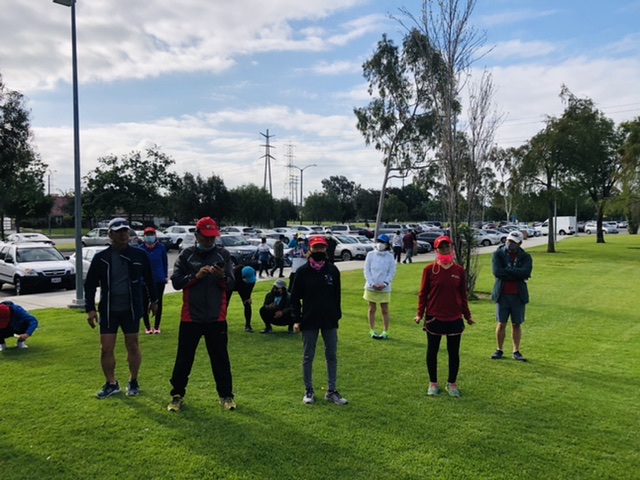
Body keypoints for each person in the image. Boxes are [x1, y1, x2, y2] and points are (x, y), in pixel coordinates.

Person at [167, 216, 237, 413]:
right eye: (205, 236)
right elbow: (176, 282)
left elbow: (231, 284)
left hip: (217, 318)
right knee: (184, 359)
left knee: (220, 359)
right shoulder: (186, 255)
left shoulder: (223, 254)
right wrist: (195, 276)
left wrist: (221, 277)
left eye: (212, 237)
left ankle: (226, 395)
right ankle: (177, 395)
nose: (208, 240)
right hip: (190, 317)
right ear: (196, 235)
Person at [85, 217, 158, 399]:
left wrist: (154, 300)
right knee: (106, 347)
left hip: (131, 308)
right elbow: (90, 284)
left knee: (132, 345)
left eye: (126, 231)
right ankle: (111, 383)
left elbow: (150, 280)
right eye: (119, 232)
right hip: (109, 309)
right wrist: (90, 309)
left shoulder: (139, 255)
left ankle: (133, 380)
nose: (123, 235)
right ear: (110, 235)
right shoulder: (101, 258)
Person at [414, 236, 475, 398]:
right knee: (432, 350)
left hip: (454, 318)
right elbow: (423, 294)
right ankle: (433, 382)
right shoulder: (430, 270)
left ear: (451, 248)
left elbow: (462, 295)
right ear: (436, 250)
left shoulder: (459, 271)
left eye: (447, 246)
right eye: (441, 247)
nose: (445, 249)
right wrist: (420, 314)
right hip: (434, 317)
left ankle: (452, 383)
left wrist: (467, 315)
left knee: (453, 352)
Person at [291, 236, 347, 406]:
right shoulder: (302, 272)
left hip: (329, 320)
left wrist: (336, 315)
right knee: (308, 356)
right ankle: (309, 390)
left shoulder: (332, 270)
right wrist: (296, 319)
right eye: (315, 248)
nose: (319, 251)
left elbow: (337, 295)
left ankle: (332, 391)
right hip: (309, 319)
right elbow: (294, 298)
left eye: (321, 248)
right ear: (310, 249)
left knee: (331, 355)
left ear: (326, 249)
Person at [490, 231, 533, 362]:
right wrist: (516, 273)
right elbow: (497, 272)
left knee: (516, 324)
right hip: (502, 294)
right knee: (501, 322)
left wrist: (508, 270)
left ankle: (516, 351)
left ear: (520, 243)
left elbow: (526, 272)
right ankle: (499, 349)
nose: (510, 244)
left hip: (518, 295)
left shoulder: (525, 257)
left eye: (514, 242)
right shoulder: (498, 254)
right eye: (509, 241)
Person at [363, 234, 397, 340]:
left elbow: (391, 271)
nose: (380, 244)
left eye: (382, 242)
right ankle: (372, 330)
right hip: (371, 286)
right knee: (371, 308)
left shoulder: (390, 256)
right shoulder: (370, 255)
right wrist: (372, 283)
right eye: (378, 242)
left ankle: (385, 331)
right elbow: (366, 270)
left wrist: (385, 283)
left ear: (387, 245)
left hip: (384, 288)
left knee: (385, 309)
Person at [139, 226, 169, 334]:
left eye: (151, 234)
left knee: (158, 302)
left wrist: (165, 276)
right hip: (144, 281)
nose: (149, 237)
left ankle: (157, 326)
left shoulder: (161, 247)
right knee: (144, 303)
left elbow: (164, 262)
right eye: (147, 235)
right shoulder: (141, 249)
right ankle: (147, 327)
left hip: (159, 279)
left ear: (155, 236)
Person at [228, 265, 257, 333]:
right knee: (225, 304)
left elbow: (251, 285)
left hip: (243, 286)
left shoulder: (252, 274)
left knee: (247, 304)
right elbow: (229, 286)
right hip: (231, 286)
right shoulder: (234, 274)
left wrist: (248, 297)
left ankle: (248, 325)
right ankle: (221, 324)